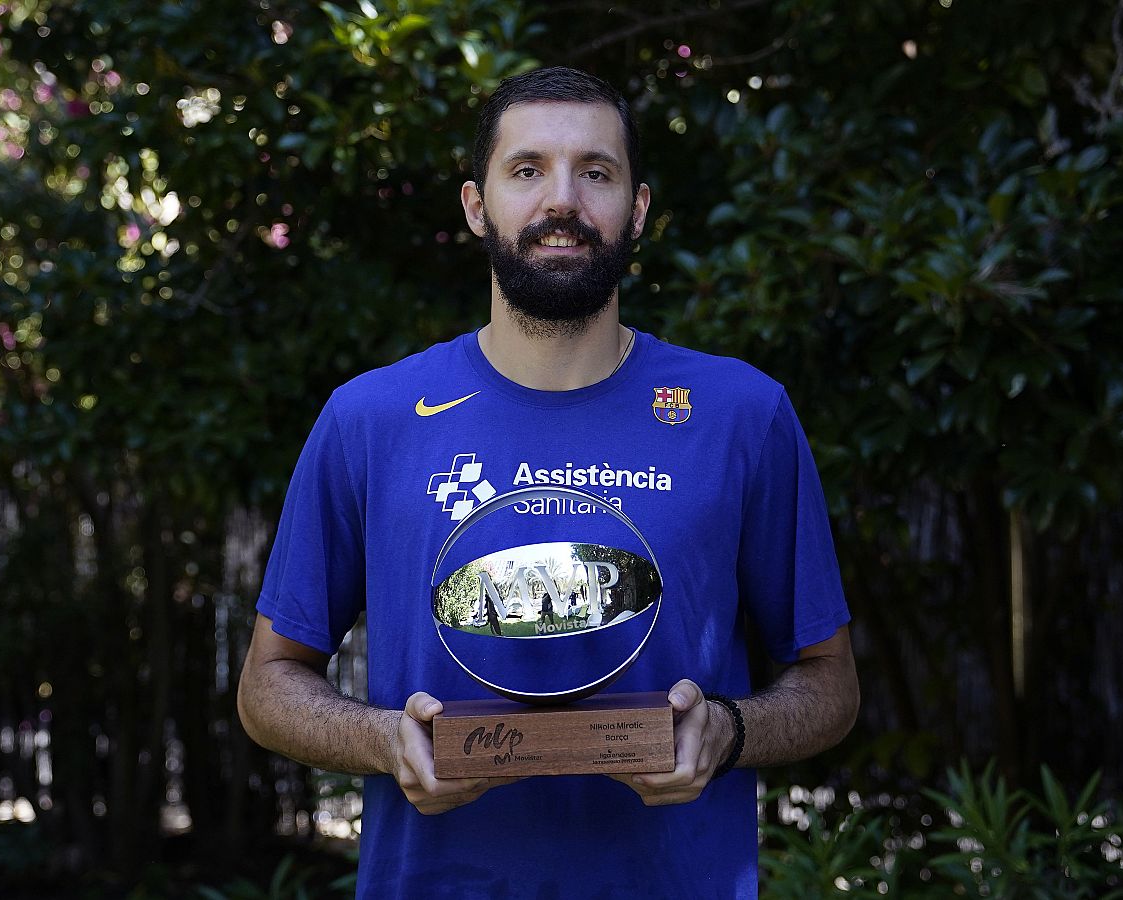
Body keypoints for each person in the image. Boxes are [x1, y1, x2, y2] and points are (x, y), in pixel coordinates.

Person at [237, 66, 858, 899]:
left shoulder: (742, 414)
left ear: (636, 210)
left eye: (595, 172)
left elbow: (831, 682)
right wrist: (384, 741)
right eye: (526, 170)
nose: (561, 201)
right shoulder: (371, 419)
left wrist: (730, 729)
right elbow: (266, 685)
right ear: (475, 204)